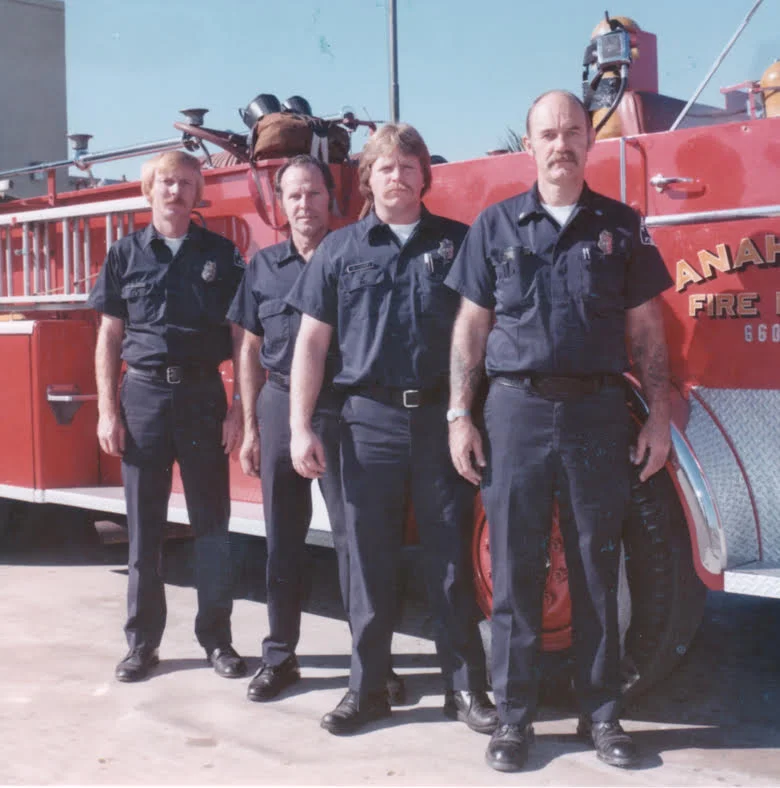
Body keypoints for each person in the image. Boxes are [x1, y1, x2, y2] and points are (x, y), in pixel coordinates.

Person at [445, 90, 673, 772]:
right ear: (529, 142)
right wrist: (461, 413)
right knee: (514, 570)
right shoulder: (494, 227)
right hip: (513, 410)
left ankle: (601, 718)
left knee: (597, 568)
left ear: (590, 140)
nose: (561, 143)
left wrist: (659, 416)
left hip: (598, 411)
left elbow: (647, 332)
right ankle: (514, 723)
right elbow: (470, 328)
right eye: (548, 132)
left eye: (573, 130)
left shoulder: (621, 226)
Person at [286, 124, 495, 736]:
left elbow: (483, 334)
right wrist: (301, 426)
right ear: (367, 179)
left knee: (450, 561)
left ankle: (467, 689)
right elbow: (311, 345)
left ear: (424, 177)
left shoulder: (461, 244)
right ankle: (367, 690)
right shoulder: (339, 251)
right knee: (367, 561)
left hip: (441, 421)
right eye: (385, 168)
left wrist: (470, 415)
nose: (397, 177)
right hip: (365, 424)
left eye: (408, 167)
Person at [227, 154, 404, 706]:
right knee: (282, 538)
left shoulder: (356, 253)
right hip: (281, 404)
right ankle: (279, 657)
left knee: (359, 543)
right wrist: (252, 424)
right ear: (282, 205)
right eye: (294, 196)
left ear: (333, 198)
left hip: (347, 409)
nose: (305, 205)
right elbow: (249, 349)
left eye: (314, 194)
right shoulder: (262, 267)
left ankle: (371, 666)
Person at [88, 150, 247, 683]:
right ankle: (141, 644)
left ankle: (217, 640)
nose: (175, 191)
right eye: (165, 183)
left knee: (212, 527)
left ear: (198, 192)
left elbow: (242, 337)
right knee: (145, 530)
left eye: (185, 183)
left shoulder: (222, 255)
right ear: (148, 191)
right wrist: (108, 411)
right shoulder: (124, 254)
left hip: (203, 399)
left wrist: (241, 408)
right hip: (145, 399)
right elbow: (110, 336)